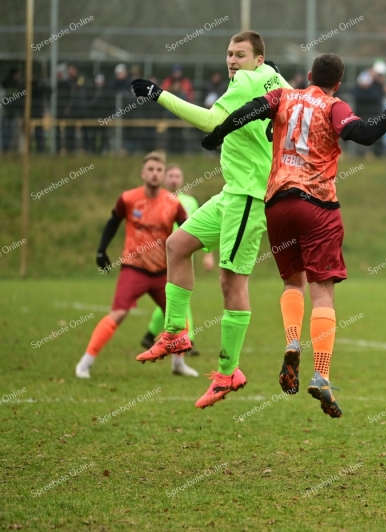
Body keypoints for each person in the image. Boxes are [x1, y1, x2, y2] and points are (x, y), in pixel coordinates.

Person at [201, 53, 386, 417]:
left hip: (277, 205)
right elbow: (364, 135)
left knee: (292, 284)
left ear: (308, 76)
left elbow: (248, 111)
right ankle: (321, 373)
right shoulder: (334, 105)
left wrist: (216, 136)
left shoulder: (283, 97)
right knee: (323, 293)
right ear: (337, 83)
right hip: (317, 207)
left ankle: (291, 343)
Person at [131, 31, 290, 409]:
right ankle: (175, 333)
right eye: (229, 54)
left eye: (241, 55)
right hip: (232, 193)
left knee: (231, 281)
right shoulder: (273, 78)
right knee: (177, 245)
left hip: (250, 197)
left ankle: (227, 371)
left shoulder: (248, 81)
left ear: (257, 58)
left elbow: (209, 121)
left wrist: (159, 95)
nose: (232, 61)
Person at [75, 152, 197, 379]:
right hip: (134, 267)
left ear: (163, 174)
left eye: (159, 170)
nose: (155, 173)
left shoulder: (172, 202)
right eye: (150, 169)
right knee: (119, 313)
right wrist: (101, 250)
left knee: (179, 318)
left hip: (163, 271)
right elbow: (113, 222)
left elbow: (189, 228)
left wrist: (197, 252)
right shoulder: (129, 198)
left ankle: (178, 364)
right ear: (143, 173)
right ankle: (86, 361)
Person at [140, 165, 215, 354]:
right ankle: (188, 340)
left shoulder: (190, 201)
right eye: (171, 175)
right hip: (164, 253)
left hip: (186, 253)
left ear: (181, 179)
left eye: (177, 175)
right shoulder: (159, 200)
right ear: (166, 179)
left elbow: (204, 228)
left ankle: (150, 334)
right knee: (181, 295)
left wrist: (208, 254)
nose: (174, 179)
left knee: (173, 296)